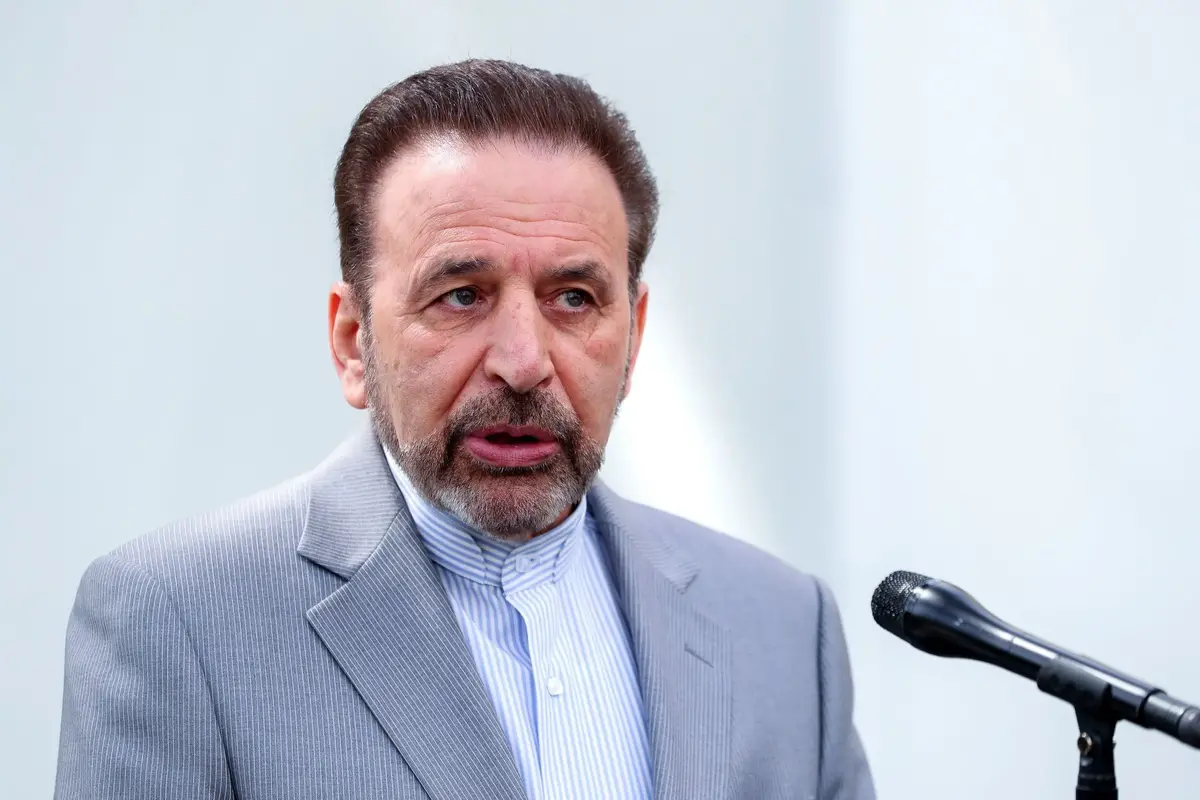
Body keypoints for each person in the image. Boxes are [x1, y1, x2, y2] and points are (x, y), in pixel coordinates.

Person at [54, 59, 875, 800]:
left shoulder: (780, 629)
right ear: (353, 342)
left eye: (574, 299)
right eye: (461, 296)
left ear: (633, 340)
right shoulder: (179, 622)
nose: (523, 362)